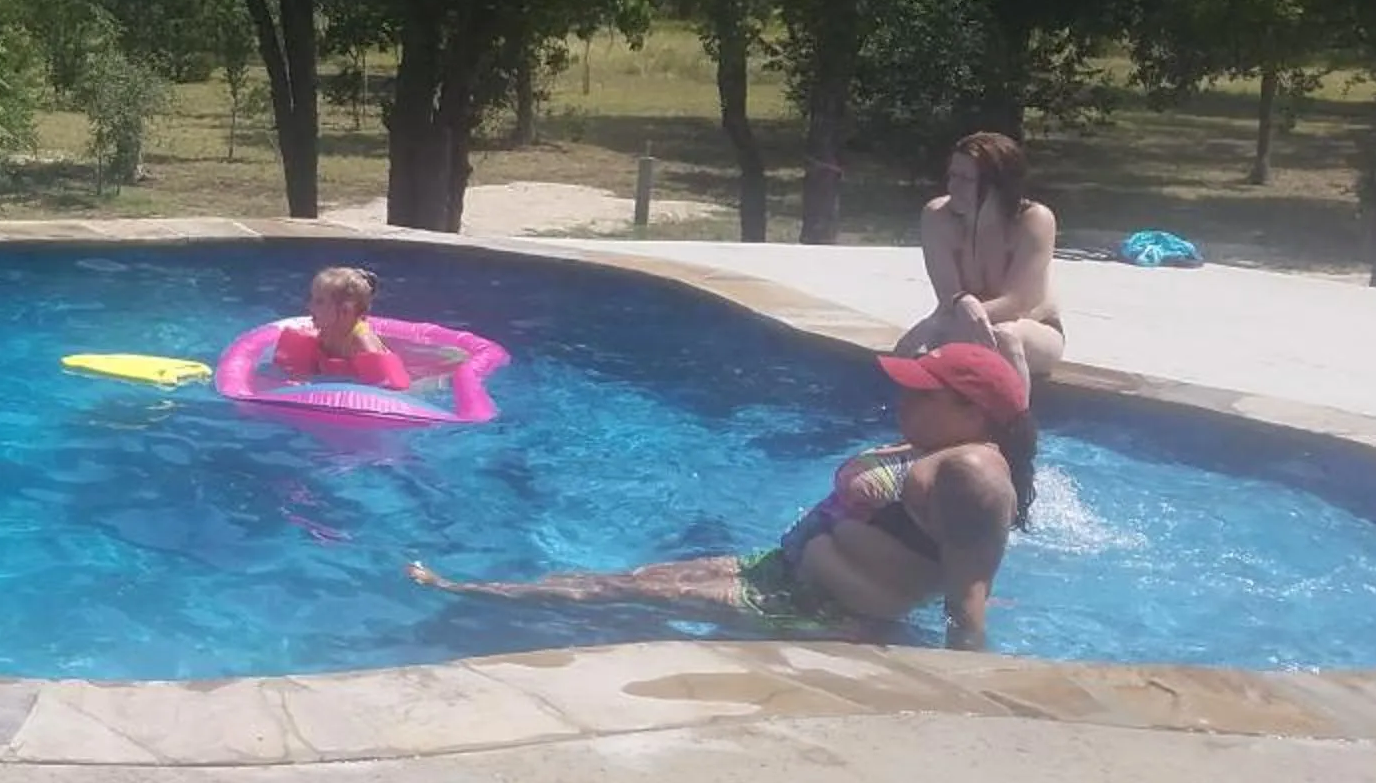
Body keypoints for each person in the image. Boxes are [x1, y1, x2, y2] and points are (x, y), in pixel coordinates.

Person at [405, 342, 1036, 650]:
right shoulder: (933, 451)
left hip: (818, 610)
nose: (905, 399)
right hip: (778, 573)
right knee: (633, 583)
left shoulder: (972, 473)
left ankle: (476, 602)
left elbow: (966, 605)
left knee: (622, 593)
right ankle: (492, 602)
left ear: (974, 412)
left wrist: (960, 701)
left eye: (924, 393)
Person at [899, 130, 1065, 380]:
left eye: (966, 179)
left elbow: (1019, 301)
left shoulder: (1033, 220)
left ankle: (1018, 418)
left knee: (1005, 337)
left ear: (998, 184)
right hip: (959, 319)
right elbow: (948, 296)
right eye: (952, 175)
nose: (953, 185)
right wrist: (957, 314)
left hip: (1032, 329)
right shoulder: (937, 216)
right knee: (907, 348)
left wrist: (965, 315)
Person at [272, 266, 412, 391]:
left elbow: (388, 389)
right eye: (312, 299)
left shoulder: (361, 343)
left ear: (345, 310)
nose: (310, 306)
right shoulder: (324, 332)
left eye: (319, 302)